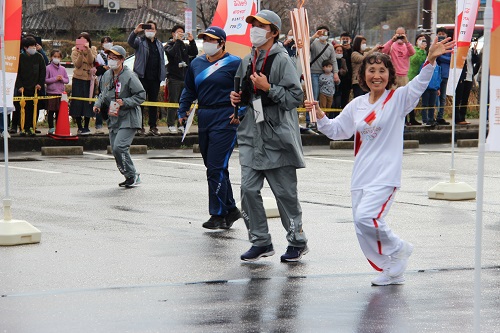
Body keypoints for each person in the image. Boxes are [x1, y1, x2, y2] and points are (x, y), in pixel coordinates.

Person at [304, 37, 455, 285]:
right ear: (363, 75)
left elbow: (418, 85)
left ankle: (399, 248)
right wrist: (320, 116)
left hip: (385, 175)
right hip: (361, 175)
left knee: (367, 218)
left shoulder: (397, 100)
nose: (377, 75)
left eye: (382, 71)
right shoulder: (357, 105)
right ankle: (390, 268)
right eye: (371, 70)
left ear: (389, 74)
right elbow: (336, 131)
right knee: (362, 227)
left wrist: (429, 61)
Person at [230, 10, 309, 263]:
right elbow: (245, 93)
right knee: (248, 190)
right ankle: (261, 241)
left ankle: (297, 241)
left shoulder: (282, 60)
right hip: (252, 135)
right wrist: (237, 99)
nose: (254, 29)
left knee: (285, 195)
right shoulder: (247, 60)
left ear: (273, 32)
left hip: (278, 137)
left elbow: (295, 98)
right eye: (252, 25)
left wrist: (269, 88)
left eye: (260, 26)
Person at [177, 26, 242, 229]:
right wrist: (183, 110)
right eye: (204, 39)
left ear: (222, 43)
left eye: (212, 40)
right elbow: (189, 89)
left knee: (215, 167)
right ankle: (231, 209)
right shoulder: (197, 63)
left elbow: (247, 90)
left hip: (226, 117)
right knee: (216, 167)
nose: (207, 43)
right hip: (204, 115)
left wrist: (241, 111)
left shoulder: (235, 63)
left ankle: (217, 214)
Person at [93, 45, 146, 188]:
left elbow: (141, 95)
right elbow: (103, 93)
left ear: (122, 59)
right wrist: (98, 104)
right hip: (113, 117)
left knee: (119, 147)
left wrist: (126, 102)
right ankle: (130, 176)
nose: (111, 60)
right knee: (115, 149)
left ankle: (133, 175)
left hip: (129, 117)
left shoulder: (129, 76)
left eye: (115, 58)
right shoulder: (107, 75)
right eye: (109, 57)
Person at [128, 20, 166, 136]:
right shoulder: (140, 41)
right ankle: (139, 126)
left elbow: (162, 60)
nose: (150, 31)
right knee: (140, 103)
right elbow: (130, 42)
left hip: (155, 78)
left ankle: (153, 126)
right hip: (142, 76)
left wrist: (162, 75)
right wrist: (135, 31)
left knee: (153, 103)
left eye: (152, 28)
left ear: (156, 31)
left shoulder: (159, 44)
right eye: (148, 28)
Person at [165, 24, 199, 135]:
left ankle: (182, 124)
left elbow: (194, 52)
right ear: (173, 34)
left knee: (184, 102)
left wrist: (192, 41)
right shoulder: (168, 45)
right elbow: (172, 53)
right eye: (178, 32)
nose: (180, 34)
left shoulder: (184, 46)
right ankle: (171, 124)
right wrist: (178, 41)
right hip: (174, 78)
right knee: (173, 102)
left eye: (182, 32)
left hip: (185, 77)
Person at [381, 27, 419, 125]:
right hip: (394, 75)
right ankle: (393, 118)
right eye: (398, 34)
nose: (400, 36)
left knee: (406, 98)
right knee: (392, 97)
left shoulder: (407, 45)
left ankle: (408, 119)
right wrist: (392, 40)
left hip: (404, 75)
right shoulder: (393, 45)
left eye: (402, 34)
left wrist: (406, 42)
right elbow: (383, 50)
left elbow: (412, 52)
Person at [13, 36, 46, 136]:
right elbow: (16, 73)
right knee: (22, 109)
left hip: (35, 88)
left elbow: (42, 71)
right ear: (25, 48)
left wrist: (40, 84)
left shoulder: (39, 57)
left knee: (33, 109)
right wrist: (19, 86)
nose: (33, 48)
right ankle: (22, 127)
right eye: (31, 46)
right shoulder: (20, 58)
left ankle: (31, 127)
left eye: (34, 46)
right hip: (23, 88)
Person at [309, 25, 339, 128]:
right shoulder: (314, 43)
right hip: (314, 73)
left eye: (325, 32)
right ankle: (311, 120)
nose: (323, 34)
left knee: (325, 98)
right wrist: (314, 36)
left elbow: (333, 60)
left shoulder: (330, 46)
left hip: (326, 75)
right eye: (321, 32)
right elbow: (304, 44)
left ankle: (321, 120)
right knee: (314, 96)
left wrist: (335, 73)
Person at [70, 32, 97, 135]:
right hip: (78, 78)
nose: (83, 42)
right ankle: (79, 126)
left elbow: (91, 61)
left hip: (89, 79)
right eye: (80, 40)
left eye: (85, 40)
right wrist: (81, 53)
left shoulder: (93, 49)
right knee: (77, 102)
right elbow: (77, 64)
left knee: (88, 102)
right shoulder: (74, 51)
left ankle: (86, 126)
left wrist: (88, 50)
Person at [45, 49, 69, 134]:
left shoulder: (63, 69)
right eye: (55, 57)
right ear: (51, 57)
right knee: (51, 111)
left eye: (58, 57)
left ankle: (59, 127)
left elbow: (67, 80)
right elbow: (45, 80)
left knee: (59, 111)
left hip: (60, 93)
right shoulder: (48, 68)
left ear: (61, 58)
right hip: (51, 93)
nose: (56, 58)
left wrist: (61, 78)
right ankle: (51, 127)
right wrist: (55, 79)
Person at [455, 42, 479, 125]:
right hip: (462, 77)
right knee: (459, 98)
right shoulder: (460, 51)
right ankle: (457, 118)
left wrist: (475, 51)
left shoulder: (471, 51)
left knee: (465, 98)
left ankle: (462, 117)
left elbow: (476, 61)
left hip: (469, 77)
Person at [94, 36, 113, 134]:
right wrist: (103, 68)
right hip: (102, 82)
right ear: (101, 44)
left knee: (113, 104)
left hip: (113, 82)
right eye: (105, 42)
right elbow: (96, 71)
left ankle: (112, 125)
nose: (107, 43)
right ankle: (98, 125)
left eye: (109, 41)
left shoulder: (115, 54)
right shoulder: (98, 56)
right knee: (100, 103)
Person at [408, 34, 428, 125]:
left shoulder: (424, 52)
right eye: (420, 39)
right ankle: (408, 119)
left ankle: (413, 118)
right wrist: (421, 50)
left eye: (423, 39)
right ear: (416, 42)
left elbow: (424, 62)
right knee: (408, 98)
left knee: (415, 99)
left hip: (418, 77)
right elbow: (414, 60)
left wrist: (423, 50)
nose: (422, 41)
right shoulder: (414, 50)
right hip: (410, 76)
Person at [435, 28, 451, 125]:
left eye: (443, 34)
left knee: (443, 97)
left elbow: (451, 59)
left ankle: (440, 116)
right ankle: (433, 116)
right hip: (435, 75)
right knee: (435, 96)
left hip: (444, 74)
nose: (441, 36)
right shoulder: (435, 45)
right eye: (439, 34)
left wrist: (440, 55)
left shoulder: (449, 46)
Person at [333, 44, 349, 113]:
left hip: (340, 84)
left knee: (338, 102)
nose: (339, 52)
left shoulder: (343, 60)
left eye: (340, 51)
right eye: (337, 51)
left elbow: (346, 70)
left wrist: (340, 71)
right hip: (331, 84)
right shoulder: (331, 60)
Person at [339, 32, 353, 107]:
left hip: (348, 78)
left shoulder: (353, 49)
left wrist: (349, 49)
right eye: (343, 39)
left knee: (345, 97)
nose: (345, 41)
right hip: (339, 76)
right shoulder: (338, 49)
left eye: (346, 39)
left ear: (350, 40)